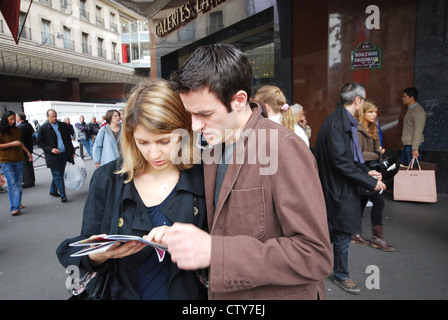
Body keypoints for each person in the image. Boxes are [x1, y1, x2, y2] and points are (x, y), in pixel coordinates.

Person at [146, 43, 333, 300]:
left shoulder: (283, 148)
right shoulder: (212, 148)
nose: (195, 125)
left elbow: (315, 255)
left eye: (205, 114)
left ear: (239, 100)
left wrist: (217, 252)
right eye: (190, 114)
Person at [56, 79, 208, 300]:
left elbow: (223, 250)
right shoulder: (107, 179)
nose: (154, 154)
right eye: (143, 142)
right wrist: (99, 255)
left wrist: (193, 241)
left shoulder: (203, 176)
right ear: (129, 136)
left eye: (165, 141)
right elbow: (82, 245)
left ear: (185, 131)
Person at [314, 82, 386, 295]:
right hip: (338, 190)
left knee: (335, 233)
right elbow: (341, 162)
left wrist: (366, 173)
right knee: (339, 234)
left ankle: (321, 269)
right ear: (357, 100)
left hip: (339, 189)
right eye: (364, 101)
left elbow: (349, 159)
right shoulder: (338, 123)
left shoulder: (341, 120)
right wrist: (370, 181)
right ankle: (339, 275)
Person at [353, 100, 396, 252]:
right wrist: (377, 153)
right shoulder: (358, 130)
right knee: (378, 202)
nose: (374, 115)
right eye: (370, 112)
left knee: (363, 201)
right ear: (363, 113)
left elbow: (375, 148)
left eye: (375, 112)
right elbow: (357, 154)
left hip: (372, 168)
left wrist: (379, 151)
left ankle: (355, 233)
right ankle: (377, 238)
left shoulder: (374, 127)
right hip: (363, 169)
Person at [0, 110, 33, 215]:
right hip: (5, 160)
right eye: (11, 119)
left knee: (18, 183)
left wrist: (28, 152)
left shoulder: (17, 129)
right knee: (12, 184)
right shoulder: (1, 130)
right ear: (5, 119)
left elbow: (20, 143)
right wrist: (11, 144)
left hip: (18, 159)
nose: (13, 121)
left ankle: (17, 203)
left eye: (14, 119)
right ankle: (14, 207)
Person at [38, 109, 75, 202]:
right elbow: (40, 143)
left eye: (55, 116)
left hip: (63, 153)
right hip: (52, 156)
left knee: (60, 174)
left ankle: (53, 190)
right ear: (48, 117)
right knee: (57, 175)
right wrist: (51, 149)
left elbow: (68, 140)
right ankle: (63, 195)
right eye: (52, 117)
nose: (55, 118)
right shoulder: (43, 128)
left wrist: (71, 152)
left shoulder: (62, 125)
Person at [401, 87, 426, 167]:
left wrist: (415, 148)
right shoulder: (411, 109)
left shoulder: (418, 111)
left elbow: (418, 131)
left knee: (412, 171)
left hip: (413, 145)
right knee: (404, 168)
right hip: (407, 144)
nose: (402, 99)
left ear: (411, 98)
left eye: (405, 97)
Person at [17, 112, 36, 188]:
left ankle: (27, 181)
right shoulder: (28, 125)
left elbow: (20, 139)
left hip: (24, 147)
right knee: (29, 164)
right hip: (29, 146)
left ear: (19, 118)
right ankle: (31, 180)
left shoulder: (20, 127)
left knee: (25, 165)